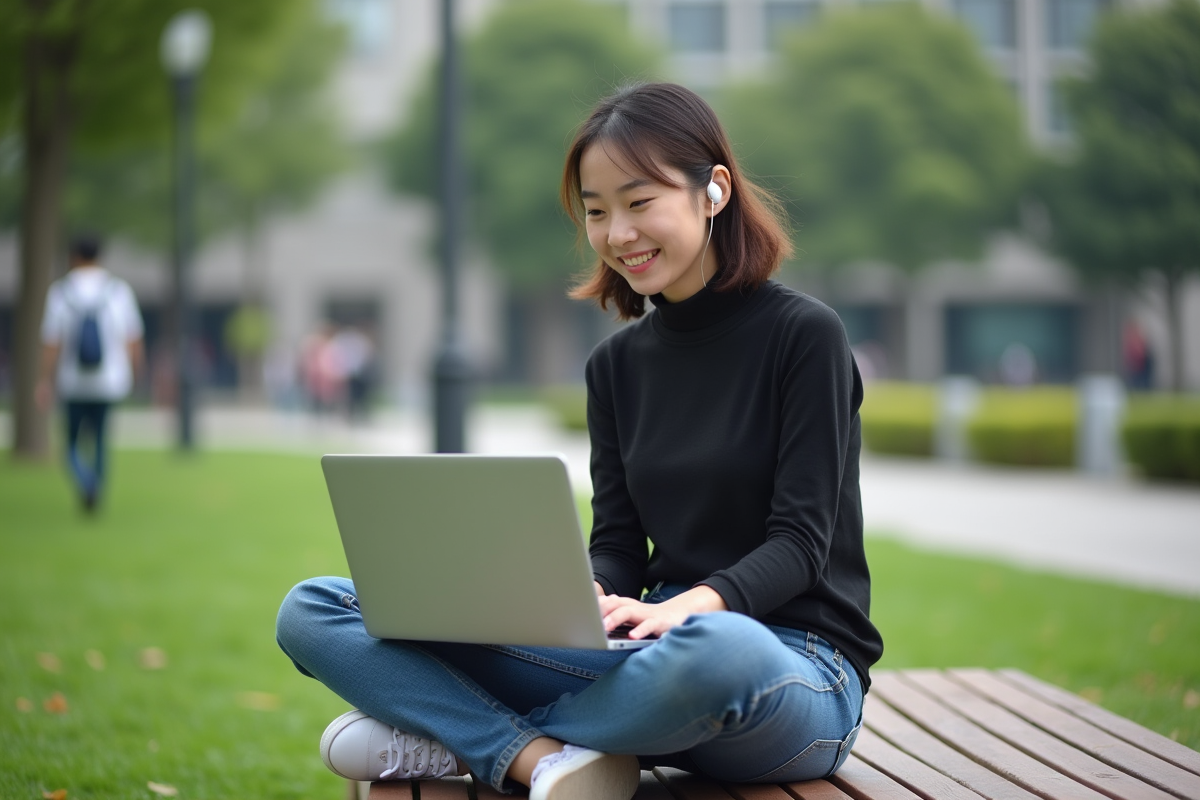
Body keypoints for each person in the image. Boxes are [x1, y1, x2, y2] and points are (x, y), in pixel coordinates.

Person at [276, 82, 882, 800]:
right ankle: (532, 757)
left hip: (789, 669)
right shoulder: (615, 367)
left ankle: (457, 738)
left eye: (639, 202)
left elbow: (801, 543)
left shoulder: (804, 337)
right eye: (596, 212)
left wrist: (686, 606)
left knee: (721, 653)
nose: (618, 232)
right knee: (315, 607)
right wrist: (583, 596)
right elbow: (621, 542)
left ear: (713, 190)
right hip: (642, 657)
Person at [37, 233, 144, 513]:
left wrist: (44, 380)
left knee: (71, 444)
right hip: (110, 380)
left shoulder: (61, 292)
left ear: (74, 256)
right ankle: (97, 489)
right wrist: (135, 373)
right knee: (99, 440)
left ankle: (86, 483)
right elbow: (133, 339)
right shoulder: (117, 290)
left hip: (73, 381)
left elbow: (52, 342)